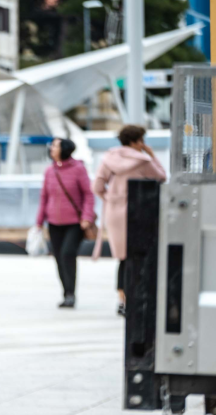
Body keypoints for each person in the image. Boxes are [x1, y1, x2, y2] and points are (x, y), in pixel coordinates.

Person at [93, 125, 167, 316]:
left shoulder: (109, 158)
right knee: (138, 255)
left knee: (123, 257)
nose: (143, 144)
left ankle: (122, 300)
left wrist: (111, 199)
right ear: (135, 141)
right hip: (139, 211)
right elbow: (161, 177)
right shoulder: (143, 160)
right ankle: (137, 298)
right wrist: (152, 155)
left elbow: (98, 186)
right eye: (141, 140)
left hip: (115, 213)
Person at [36, 138, 95, 308]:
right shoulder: (49, 171)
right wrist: (39, 221)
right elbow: (44, 197)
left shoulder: (78, 169)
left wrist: (87, 217)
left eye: (55, 146)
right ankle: (66, 292)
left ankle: (71, 293)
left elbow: (88, 195)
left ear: (64, 149)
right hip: (54, 223)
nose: (51, 148)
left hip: (75, 223)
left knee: (67, 253)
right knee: (58, 257)